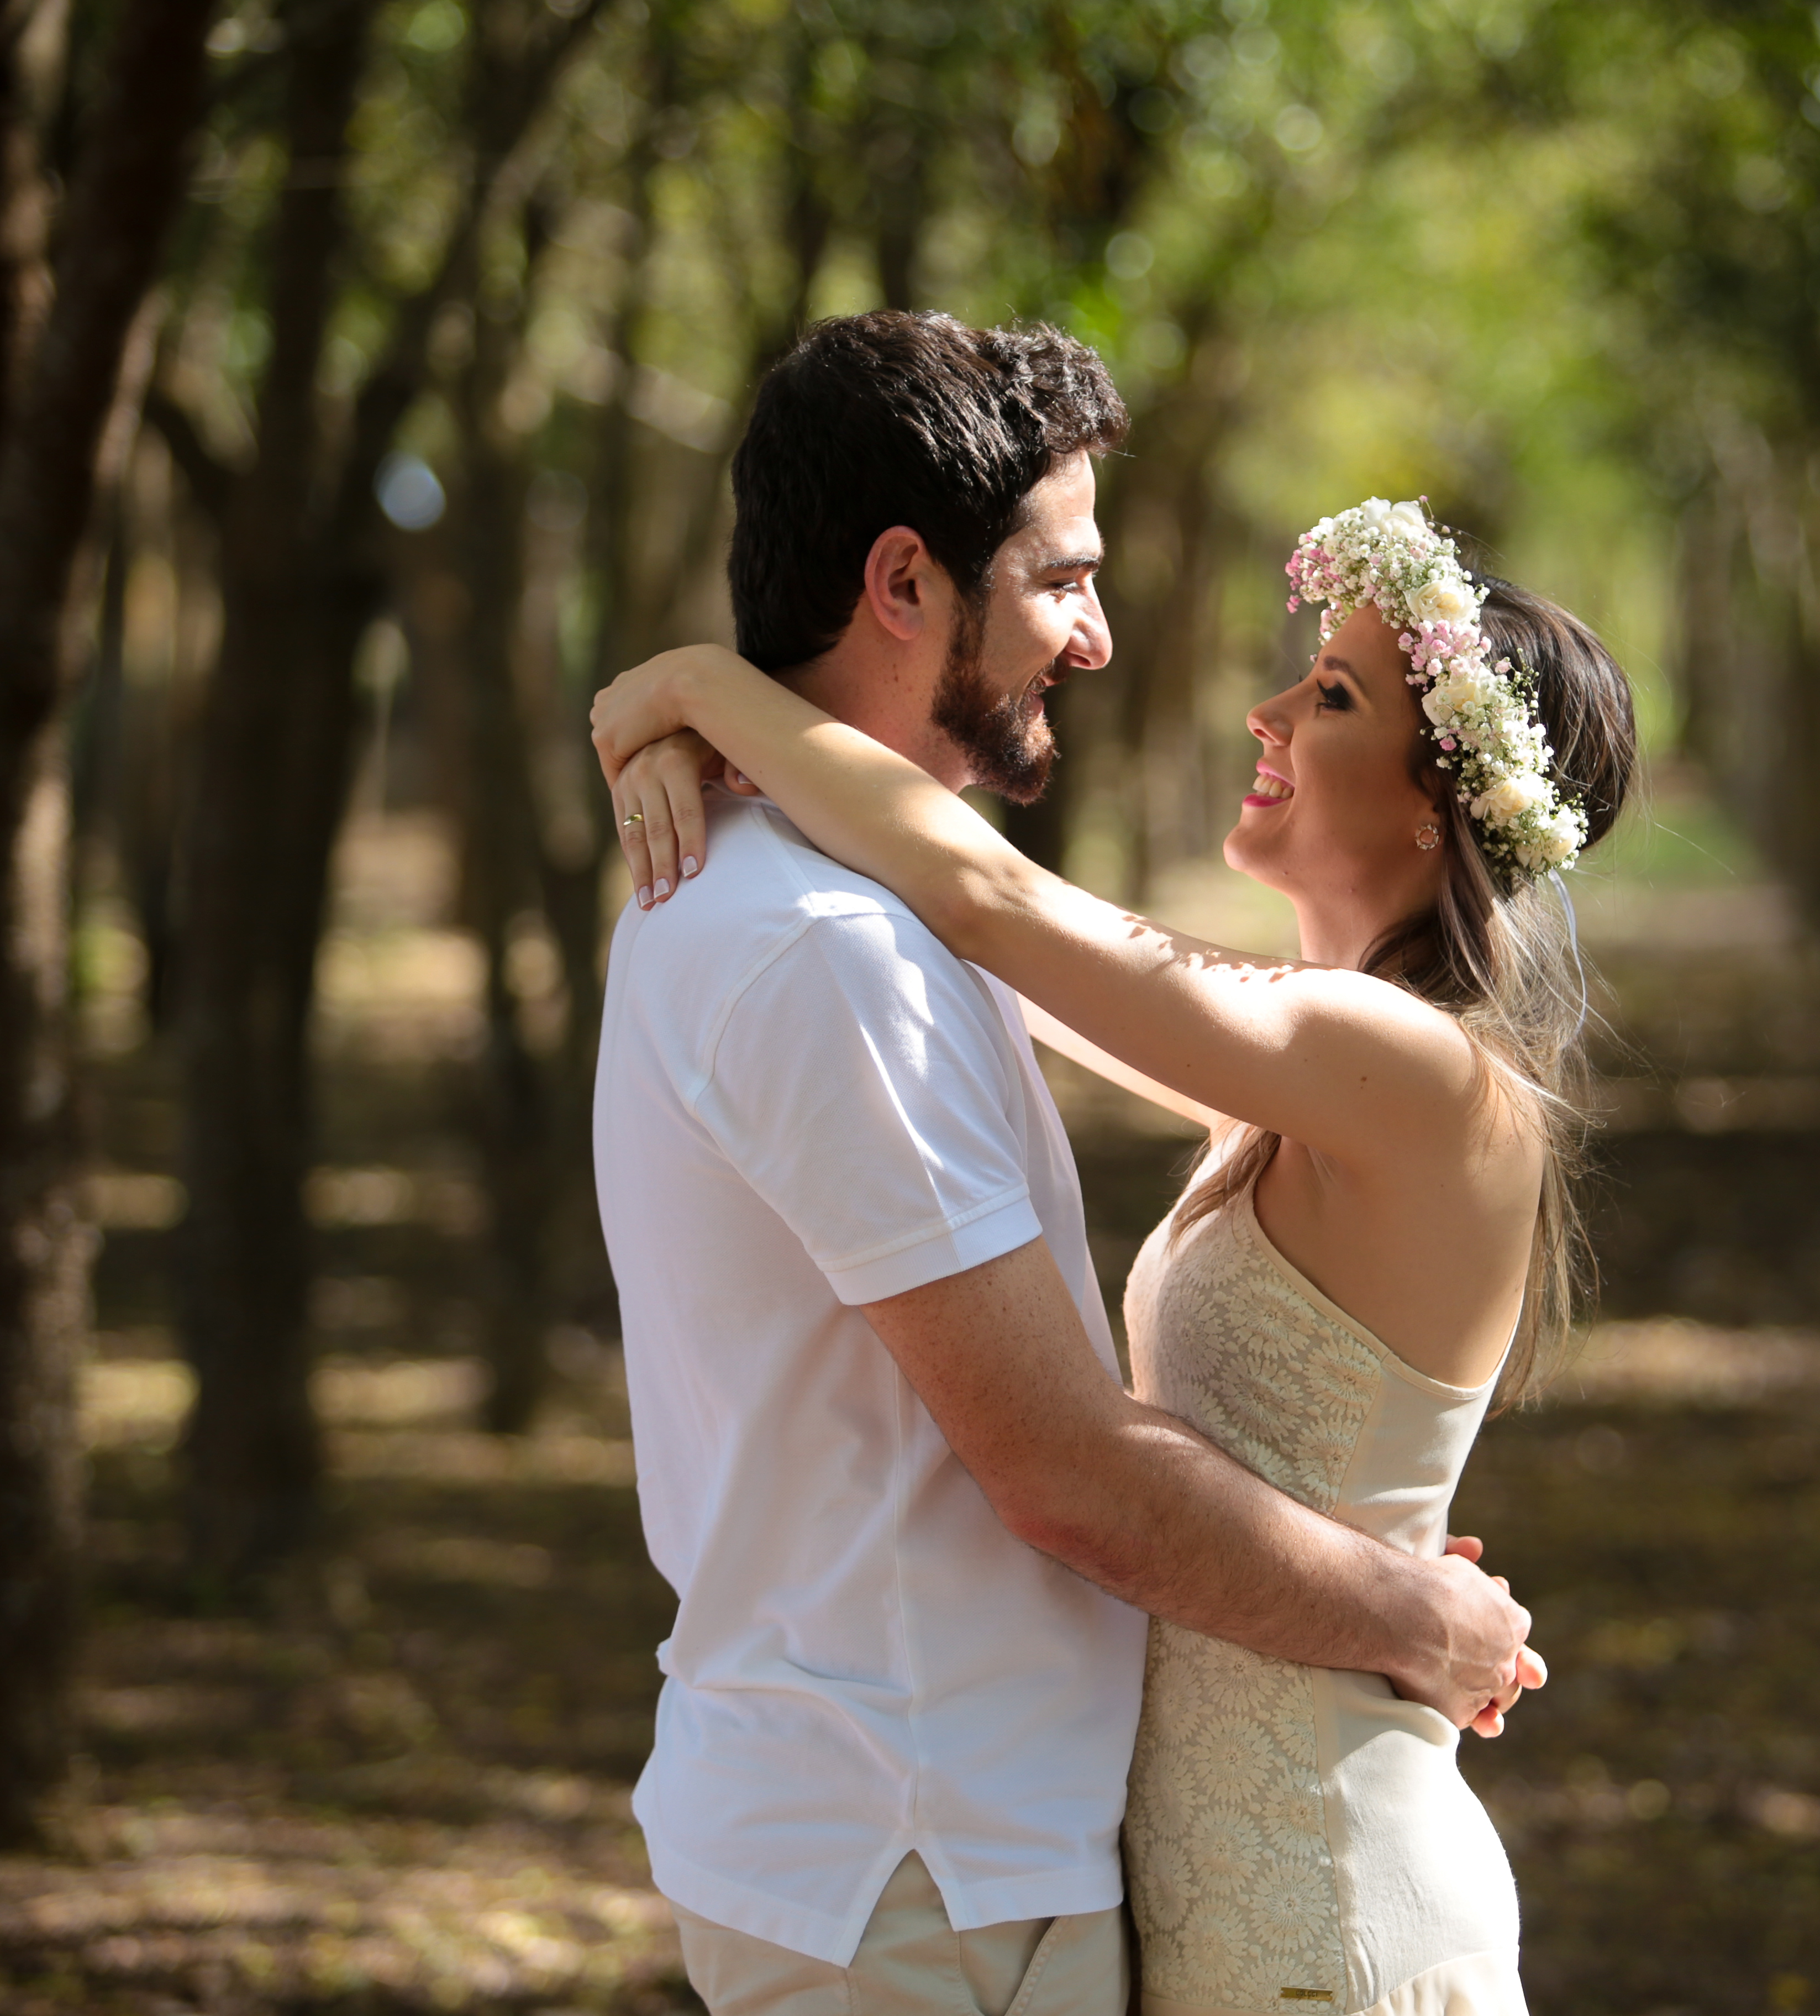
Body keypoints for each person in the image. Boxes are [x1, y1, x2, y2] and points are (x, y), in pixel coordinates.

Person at [590, 312, 1541, 2016]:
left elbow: (1002, 905)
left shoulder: (1359, 1058)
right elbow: (1068, 1471)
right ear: (904, 584)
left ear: (1436, 804)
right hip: (930, 1850)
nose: (1104, 642)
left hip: (1100, 1852)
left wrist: (691, 692)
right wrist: (1407, 1611)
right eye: (1062, 581)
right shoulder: (832, 947)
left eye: (1329, 693)